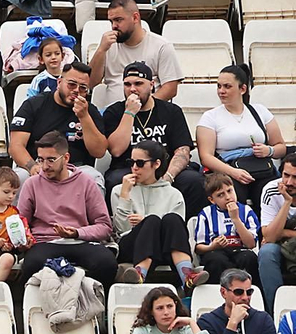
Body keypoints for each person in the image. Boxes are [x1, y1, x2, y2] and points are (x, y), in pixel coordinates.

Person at [101, 61, 203, 213]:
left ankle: (188, 225)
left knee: (193, 180)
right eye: (127, 84)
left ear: (151, 85)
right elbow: (116, 150)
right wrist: (129, 113)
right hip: (130, 168)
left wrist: (168, 177)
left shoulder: (171, 111)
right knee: (115, 181)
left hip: (164, 168)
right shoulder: (114, 112)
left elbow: (182, 150)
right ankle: (125, 226)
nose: (132, 89)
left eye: (138, 83)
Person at [16, 134, 117, 284]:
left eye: (51, 160)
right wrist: (24, 239)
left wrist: (77, 232)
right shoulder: (32, 184)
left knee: (107, 263)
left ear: (66, 158)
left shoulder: (86, 182)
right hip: (45, 242)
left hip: (80, 241)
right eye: (40, 160)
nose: (44, 166)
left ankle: (89, 296)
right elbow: (22, 222)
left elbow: (104, 226)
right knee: (32, 264)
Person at [112, 140, 199, 286]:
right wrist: (125, 195)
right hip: (131, 246)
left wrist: (144, 221)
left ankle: (187, 275)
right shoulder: (120, 190)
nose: (134, 168)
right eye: (131, 162)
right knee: (152, 220)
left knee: (172, 219)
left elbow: (176, 232)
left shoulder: (173, 194)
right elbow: (122, 229)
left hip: (164, 248)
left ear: (156, 164)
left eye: (140, 163)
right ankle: (139, 273)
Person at [198, 63, 286, 205]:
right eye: (219, 86)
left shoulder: (260, 111)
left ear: (242, 89)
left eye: (227, 86)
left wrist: (269, 150)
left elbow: (281, 147)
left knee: (272, 194)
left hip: (261, 168)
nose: (221, 91)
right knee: (232, 195)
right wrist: (234, 172)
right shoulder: (210, 117)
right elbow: (206, 157)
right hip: (228, 171)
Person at [9, 61, 106, 174]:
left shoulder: (90, 111)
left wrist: (84, 117)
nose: (76, 90)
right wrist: (32, 167)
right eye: (71, 84)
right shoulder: (34, 105)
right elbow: (16, 145)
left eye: (83, 88)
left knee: (93, 176)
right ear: (59, 83)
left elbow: (99, 152)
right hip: (38, 166)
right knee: (19, 177)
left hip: (77, 169)